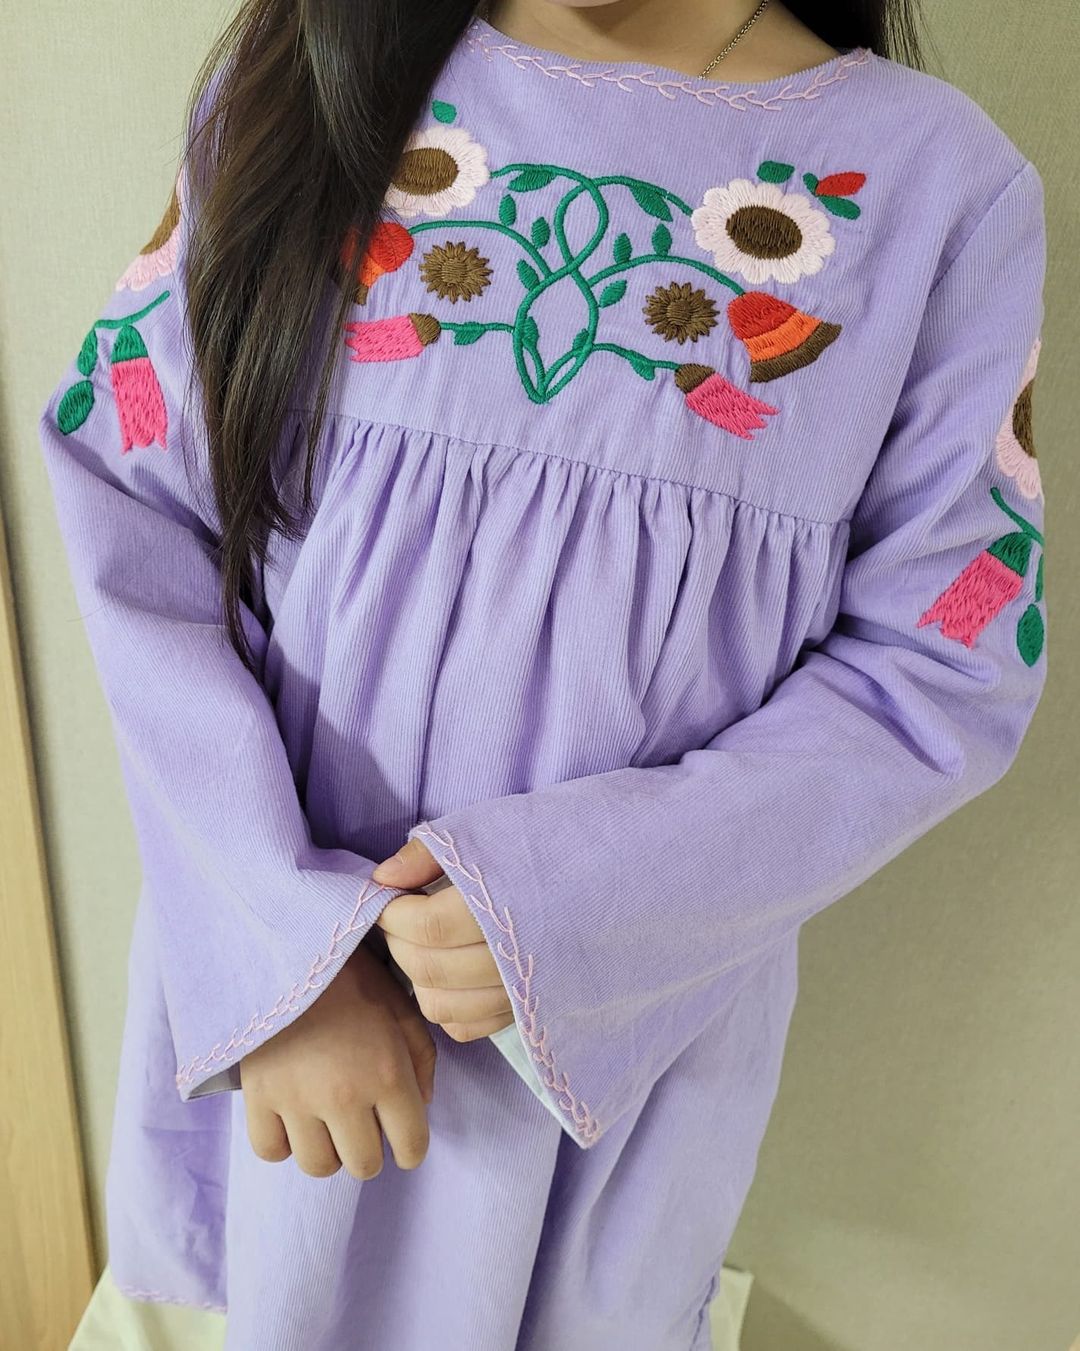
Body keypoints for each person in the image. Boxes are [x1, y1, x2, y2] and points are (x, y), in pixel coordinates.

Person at [43, 1, 1049, 1348]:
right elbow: (130, 483)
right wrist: (281, 960)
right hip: (273, 1032)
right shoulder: (313, 73)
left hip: (605, 1075)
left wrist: (563, 912)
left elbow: (954, 647)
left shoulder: (941, 192)